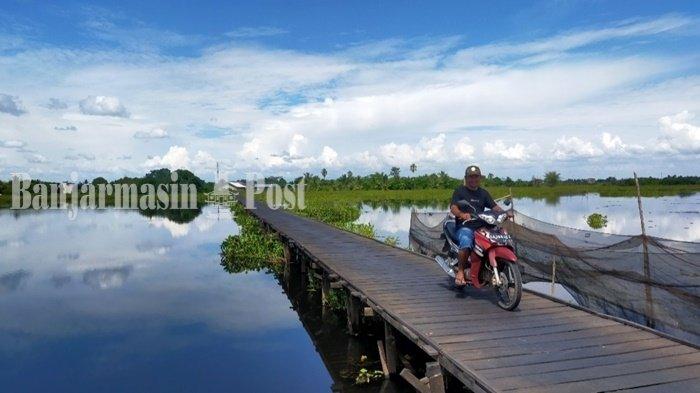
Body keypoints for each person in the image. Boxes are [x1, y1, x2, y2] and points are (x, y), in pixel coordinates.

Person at [450, 165, 510, 286]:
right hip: (465, 226)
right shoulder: (460, 191)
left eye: (476, 177)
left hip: (482, 227)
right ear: (466, 178)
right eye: (471, 177)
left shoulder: (483, 193)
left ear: (479, 178)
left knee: (499, 239)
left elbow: (494, 207)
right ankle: (461, 272)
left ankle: (489, 269)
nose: (473, 179)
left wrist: (505, 213)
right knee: (466, 241)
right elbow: (453, 207)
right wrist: (462, 214)